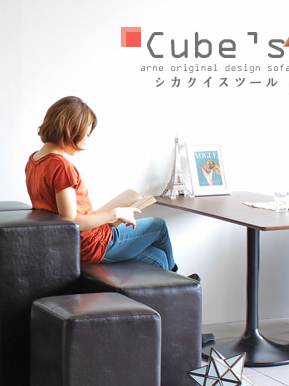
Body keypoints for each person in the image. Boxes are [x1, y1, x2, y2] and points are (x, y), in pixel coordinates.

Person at [25, 96, 177, 270]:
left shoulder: (34, 161)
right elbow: (71, 221)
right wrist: (116, 213)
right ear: (72, 129)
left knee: (159, 258)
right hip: (92, 244)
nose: (85, 140)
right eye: (86, 133)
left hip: (77, 243)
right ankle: (183, 280)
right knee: (158, 225)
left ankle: (177, 281)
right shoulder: (61, 166)